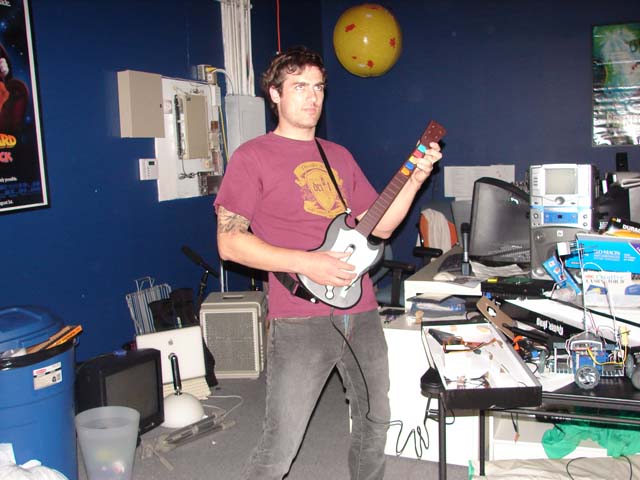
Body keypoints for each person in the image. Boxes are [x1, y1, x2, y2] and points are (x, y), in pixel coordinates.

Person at [214, 46, 442, 480]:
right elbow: (229, 243)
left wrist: (415, 179)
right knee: (281, 444)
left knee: (375, 420)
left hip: (362, 310)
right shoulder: (252, 156)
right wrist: (307, 262)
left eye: (318, 87)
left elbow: (380, 226)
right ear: (275, 94)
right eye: (300, 86)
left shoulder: (337, 155)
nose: (312, 96)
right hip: (300, 317)